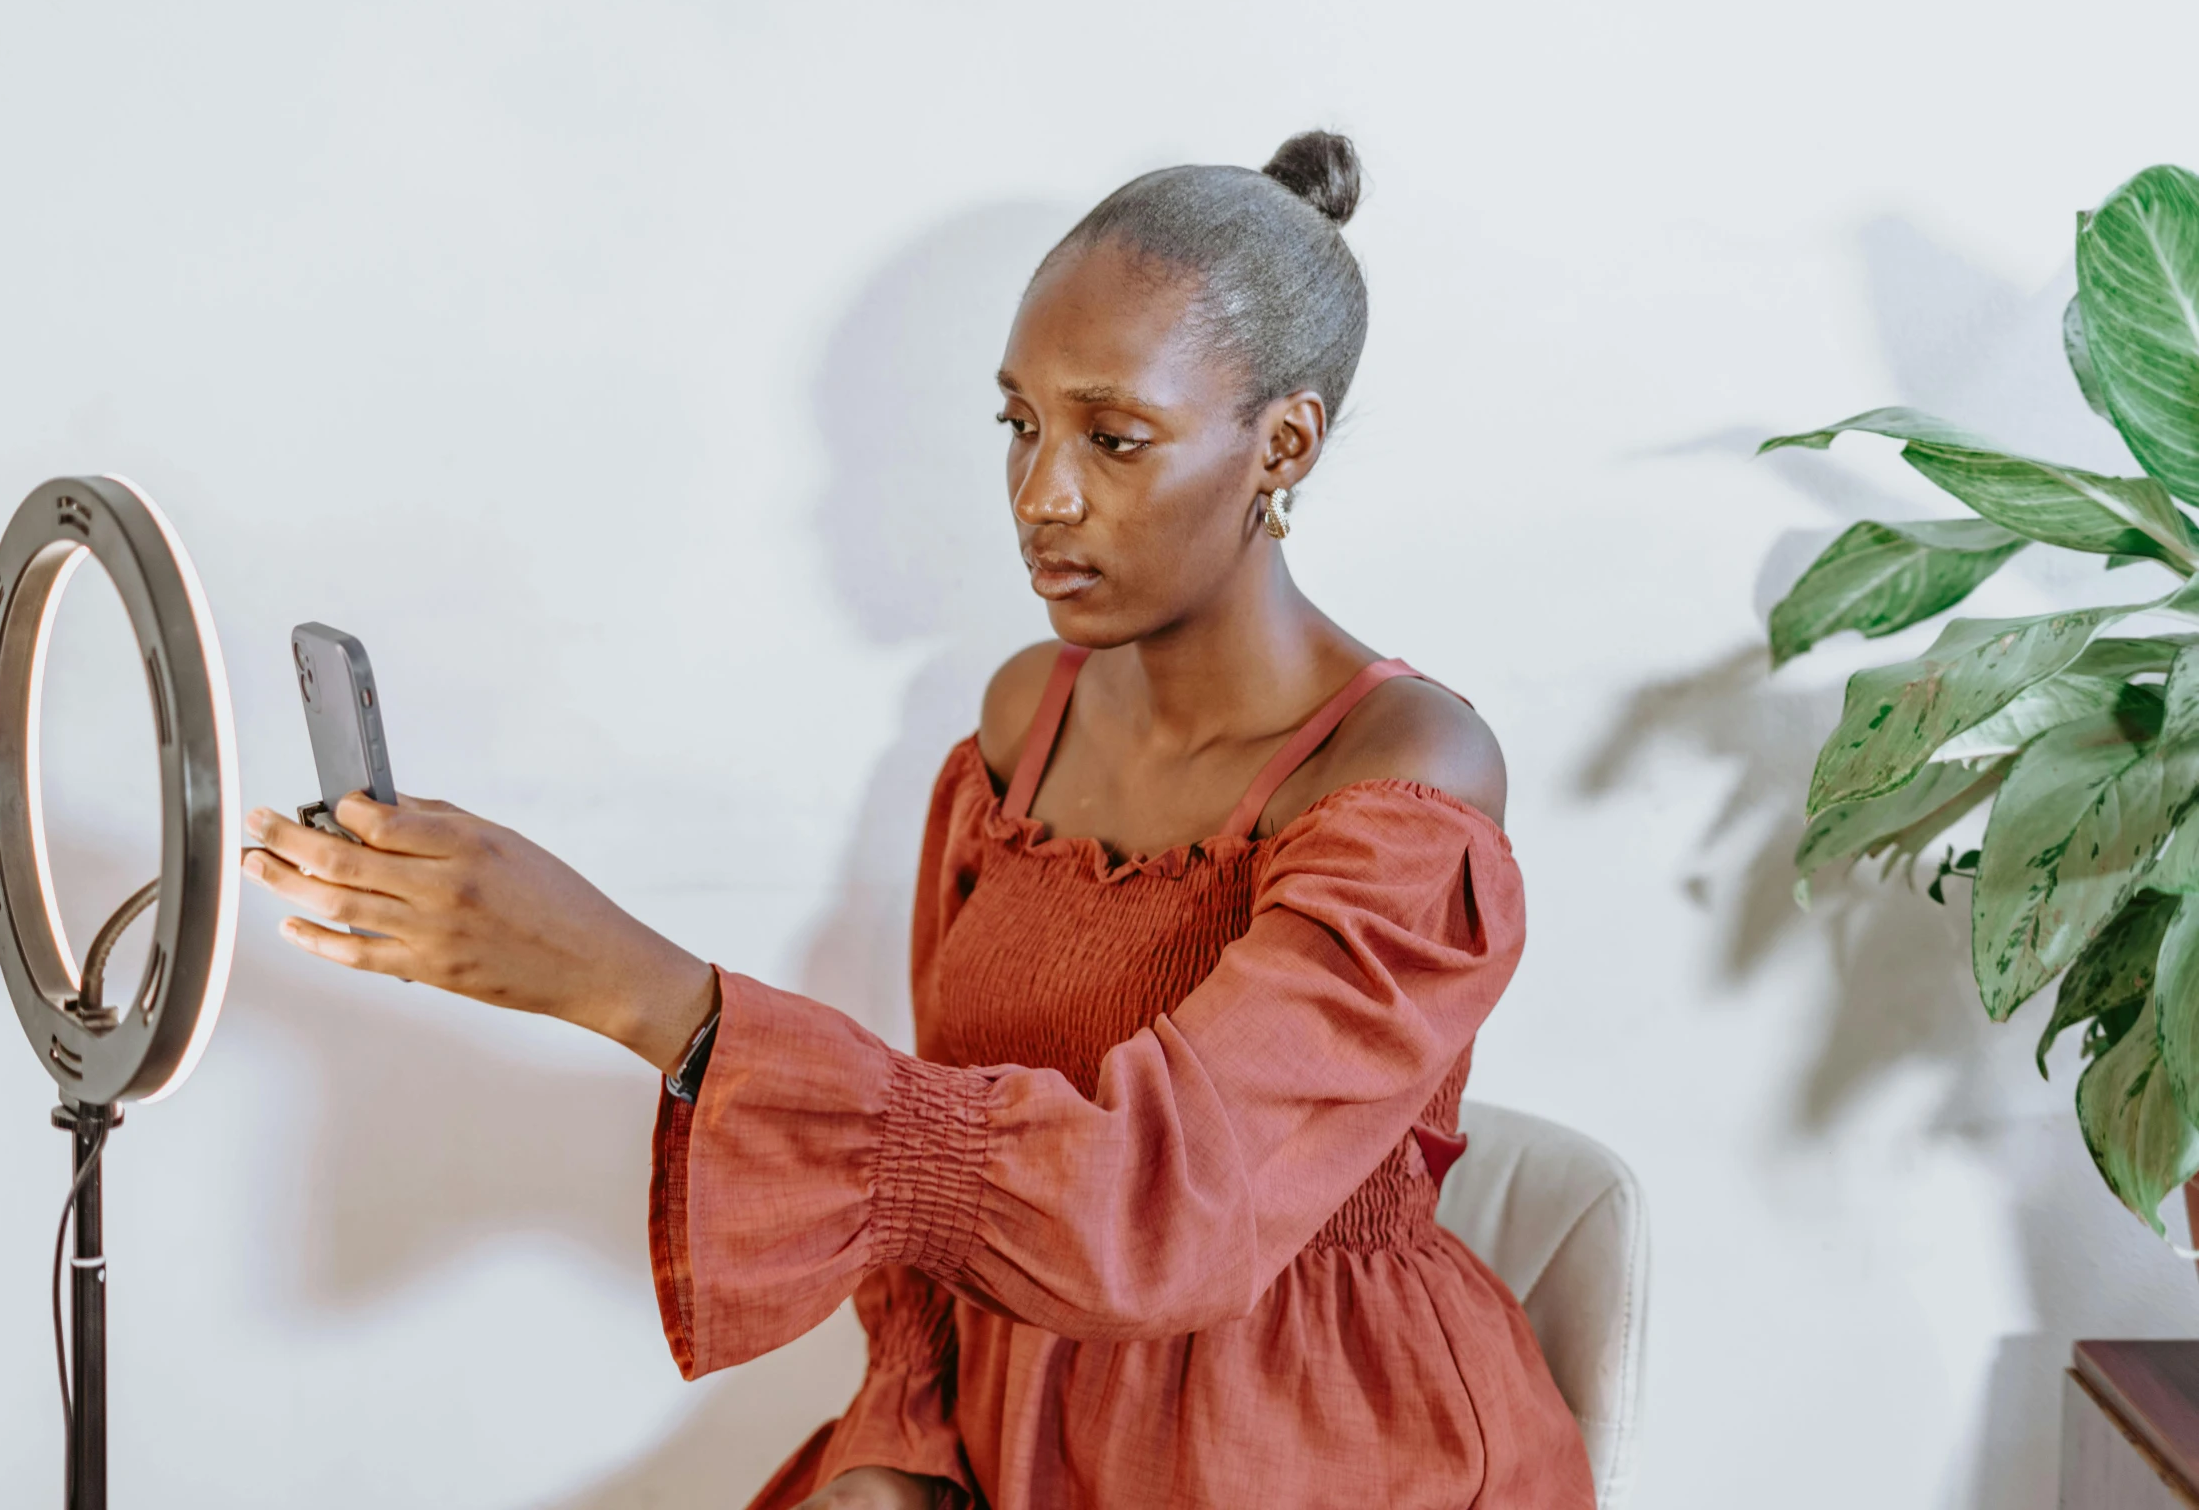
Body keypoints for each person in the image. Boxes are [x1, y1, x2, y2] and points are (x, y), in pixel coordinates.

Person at [241, 131, 1595, 1509]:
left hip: (1306, 1450)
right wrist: (901, 1442)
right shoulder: (1026, 727)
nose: (1039, 496)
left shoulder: (1403, 775)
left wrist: (640, 991)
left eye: (1113, 438)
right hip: (1002, 1433)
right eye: (1019, 424)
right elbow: (945, 1153)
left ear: (1281, 443)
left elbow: (1156, 1211)